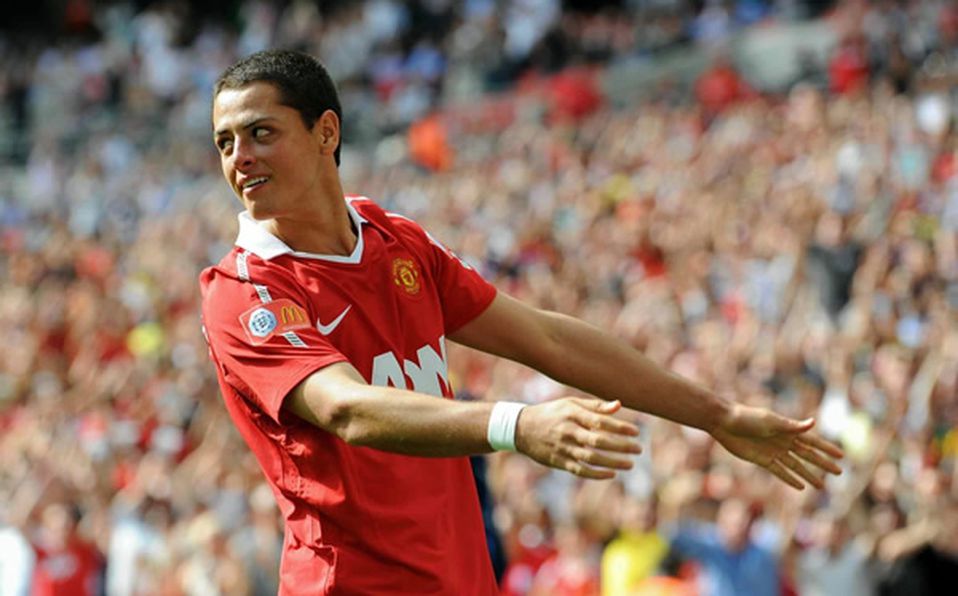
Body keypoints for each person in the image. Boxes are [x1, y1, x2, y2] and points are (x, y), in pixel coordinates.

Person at [199, 49, 844, 594]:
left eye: (261, 133)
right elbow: (346, 408)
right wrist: (519, 425)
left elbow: (546, 338)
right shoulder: (244, 290)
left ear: (326, 132)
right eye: (225, 142)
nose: (239, 157)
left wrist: (716, 415)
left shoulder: (394, 238)